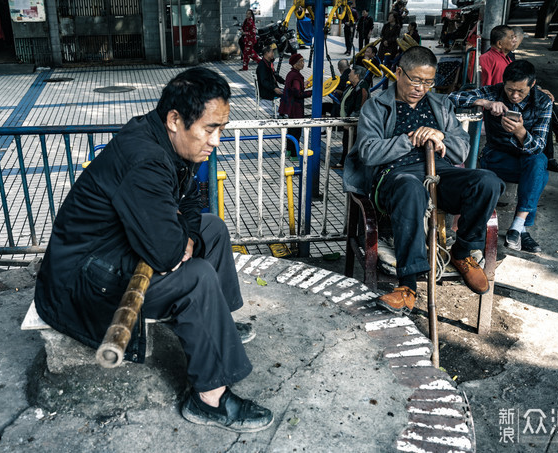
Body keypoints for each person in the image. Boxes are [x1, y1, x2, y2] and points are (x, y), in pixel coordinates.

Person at [34, 67, 274, 433]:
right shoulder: (146, 158)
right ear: (175, 119)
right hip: (83, 278)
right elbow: (164, 255)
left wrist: (187, 236)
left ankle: (218, 322)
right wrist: (179, 240)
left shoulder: (164, 138)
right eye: (210, 129)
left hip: (112, 251)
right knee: (196, 277)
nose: (216, 140)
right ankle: (208, 398)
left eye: (221, 129)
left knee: (213, 229)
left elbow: (192, 200)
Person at [343, 46, 504, 314]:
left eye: (428, 82)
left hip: (439, 171)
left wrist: (441, 137)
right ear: (398, 73)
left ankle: (463, 251)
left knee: (487, 182)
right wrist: (407, 140)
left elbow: (461, 149)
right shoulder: (377, 105)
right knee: (410, 187)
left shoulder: (440, 104)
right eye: (416, 80)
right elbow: (369, 152)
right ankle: (407, 286)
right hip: (394, 176)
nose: (421, 88)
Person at [449, 60, 552, 254]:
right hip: (496, 157)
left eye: (520, 91)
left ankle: (517, 226)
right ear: (503, 83)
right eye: (510, 89)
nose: (514, 96)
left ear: (532, 85)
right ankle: (521, 229)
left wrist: (520, 132)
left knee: (539, 162)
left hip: (526, 161)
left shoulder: (543, 102)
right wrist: (485, 102)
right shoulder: (494, 92)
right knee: (541, 174)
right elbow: (452, 98)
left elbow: (538, 145)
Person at [506, 26, 558, 173]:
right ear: (500, 42)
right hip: (508, 106)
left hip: (521, 98)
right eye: (511, 38)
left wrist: (535, 89)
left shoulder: (508, 56)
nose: (514, 41)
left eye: (514, 38)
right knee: (543, 106)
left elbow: (520, 82)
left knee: (545, 102)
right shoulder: (500, 59)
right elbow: (507, 86)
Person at [332, 65, 370, 169]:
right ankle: (344, 162)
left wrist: (350, 122)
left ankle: (350, 165)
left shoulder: (362, 88)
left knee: (351, 143)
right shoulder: (352, 86)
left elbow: (360, 108)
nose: (349, 74)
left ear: (357, 75)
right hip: (347, 121)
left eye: (351, 73)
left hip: (353, 123)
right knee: (346, 142)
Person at [279, 53, 312, 160]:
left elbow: (294, 88)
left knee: (291, 129)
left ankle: (288, 151)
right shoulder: (297, 77)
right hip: (296, 108)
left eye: (303, 61)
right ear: (295, 64)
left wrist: (304, 84)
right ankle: (294, 154)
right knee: (296, 131)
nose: (303, 63)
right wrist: (312, 92)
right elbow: (298, 94)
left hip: (290, 107)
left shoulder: (291, 74)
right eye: (301, 61)